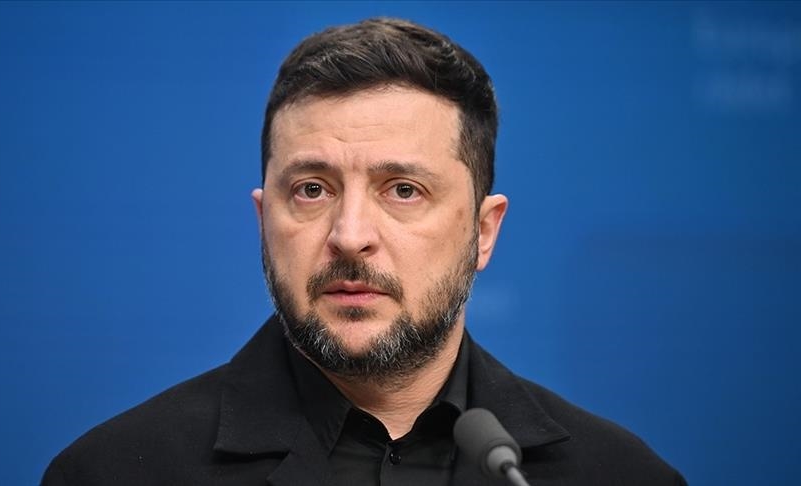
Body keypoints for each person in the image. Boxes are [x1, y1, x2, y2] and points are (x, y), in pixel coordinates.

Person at [42, 17, 686, 485]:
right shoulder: (115, 472)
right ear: (264, 221)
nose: (350, 234)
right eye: (312, 189)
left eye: (403, 190)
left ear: (484, 232)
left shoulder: (619, 475)